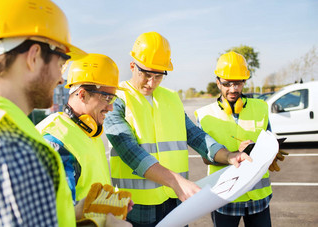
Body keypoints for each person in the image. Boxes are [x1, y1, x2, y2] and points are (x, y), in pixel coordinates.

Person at [103, 31, 251, 226]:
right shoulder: (116, 99)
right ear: (133, 66)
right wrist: (177, 182)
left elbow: (195, 135)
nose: (151, 82)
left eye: (158, 76)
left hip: (176, 201)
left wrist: (228, 156)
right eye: (146, 75)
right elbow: (129, 151)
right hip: (137, 206)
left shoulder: (171, 98)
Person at [0, 0, 87, 226]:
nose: (60, 79)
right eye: (61, 62)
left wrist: (77, 214)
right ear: (34, 56)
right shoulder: (19, 150)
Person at [36, 53, 133, 226]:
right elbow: (57, 217)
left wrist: (107, 206)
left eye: (113, 98)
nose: (111, 107)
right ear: (82, 95)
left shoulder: (87, 131)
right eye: (107, 98)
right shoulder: (56, 140)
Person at [194, 51, 273, 227]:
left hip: (258, 198)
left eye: (238, 83)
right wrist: (236, 154)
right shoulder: (205, 115)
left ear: (244, 81)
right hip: (224, 198)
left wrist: (267, 151)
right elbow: (206, 158)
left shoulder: (261, 108)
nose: (233, 89)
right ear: (218, 82)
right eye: (227, 83)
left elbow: (270, 141)